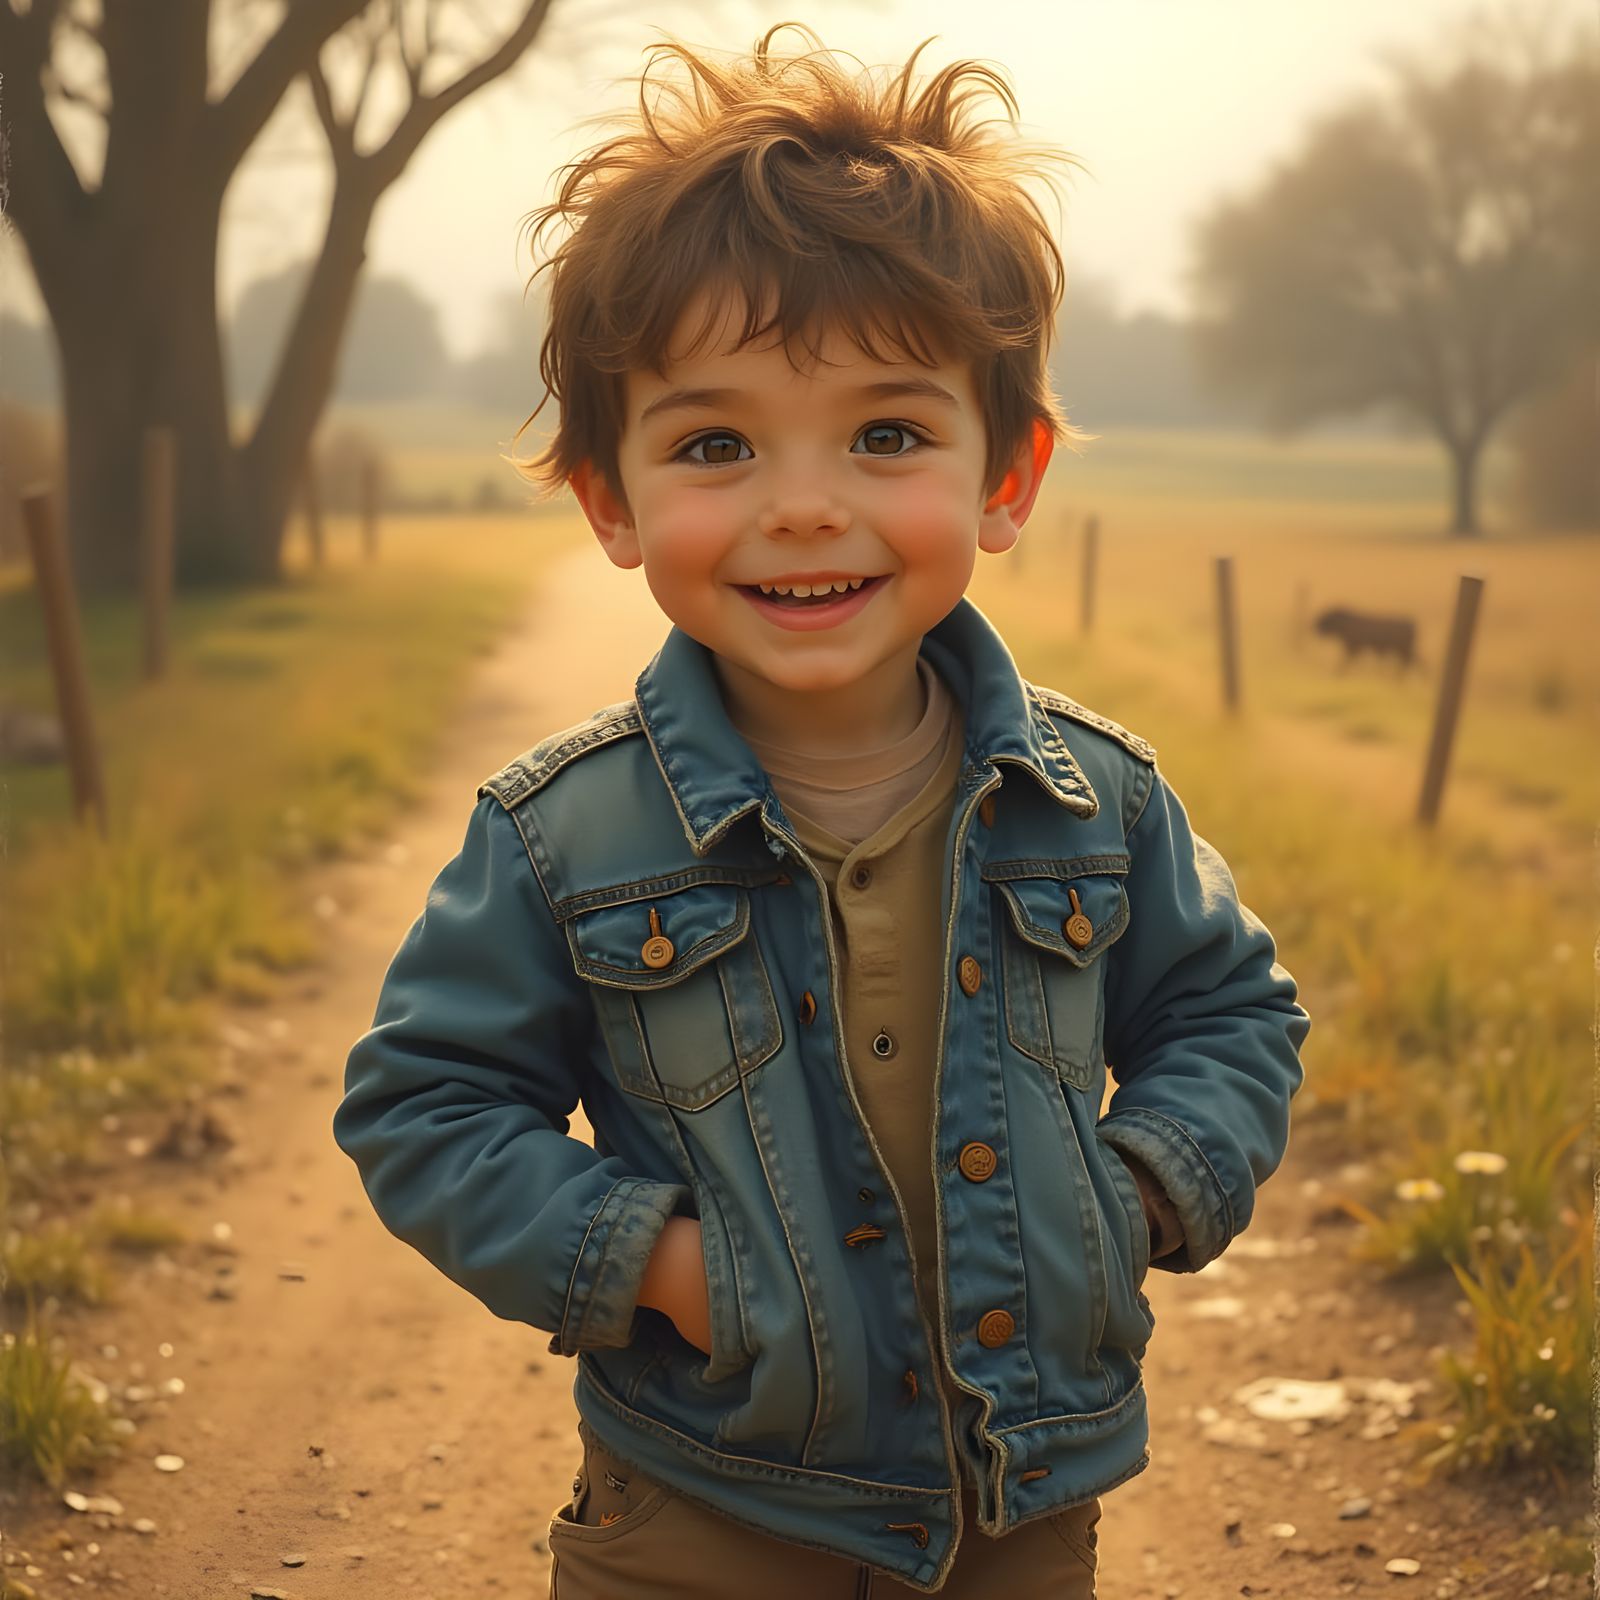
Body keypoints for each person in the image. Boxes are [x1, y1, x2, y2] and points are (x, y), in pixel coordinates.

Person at [332, 23, 1310, 1597]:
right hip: (702, 1509)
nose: (804, 500)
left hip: (1021, 1504)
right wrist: (653, 1262)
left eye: (887, 434)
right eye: (716, 442)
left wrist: (1134, 1196)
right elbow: (424, 1104)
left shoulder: (1099, 803)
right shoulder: (560, 838)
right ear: (611, 495)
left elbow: (1231, 1015)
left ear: (1008, 475)